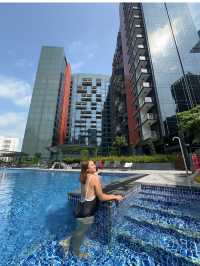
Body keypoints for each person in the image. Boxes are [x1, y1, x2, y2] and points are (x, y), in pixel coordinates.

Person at [60, 160, 123, 258]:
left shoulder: (83, 176)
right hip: (87, 213)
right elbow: (101, 197)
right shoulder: (94, 178)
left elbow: (90, 184)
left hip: (79, 208)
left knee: (79, 230)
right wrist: (115, 196)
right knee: (81, 233)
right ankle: (76, 252)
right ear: (88, 169)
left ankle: (66, 242)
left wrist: (95, 174)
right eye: (92, 165)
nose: (95, 166)